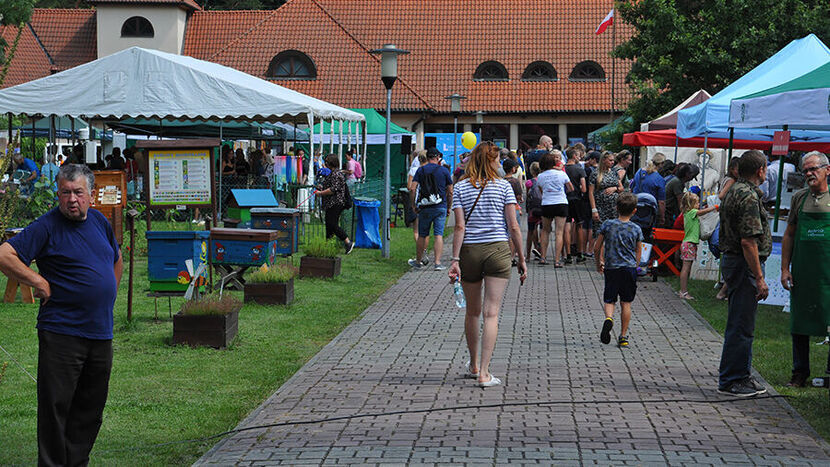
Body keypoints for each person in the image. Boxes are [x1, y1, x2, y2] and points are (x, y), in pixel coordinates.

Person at [0, 164, 122, 466]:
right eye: (65, 193)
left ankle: (76, 462)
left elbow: (116, 260)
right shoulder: (47, 226)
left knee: (90, 409)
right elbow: (4, 254)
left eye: (78, 193)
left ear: (90, 195)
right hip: (62, 333)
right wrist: (39, 282)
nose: (72, 200)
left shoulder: (98, 221)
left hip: (100, 332)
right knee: (56, 409)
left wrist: (107, 295)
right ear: (58, 194)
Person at [448, 141, 527, 388]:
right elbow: (513, 226)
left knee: (473, 312)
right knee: (491, 313)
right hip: (497, 250)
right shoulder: (504, 187)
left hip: (470, 251)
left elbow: (459, 227)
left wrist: (455, 259)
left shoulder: (461, 188)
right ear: (493, 161)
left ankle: (472, 365)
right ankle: (484, 372)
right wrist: (522, 259)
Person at [717, 149, 771, 397]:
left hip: (734, 262)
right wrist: (759, 277)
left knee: (741, 322)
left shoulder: (735, 190)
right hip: (742, 263)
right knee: (741, 324)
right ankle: (733, 379)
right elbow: (748, 242)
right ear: (760, 170)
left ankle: (741, 375)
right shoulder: (747, 196)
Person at [781, 151, 830, 388]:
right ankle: (799, 372)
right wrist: (784, 269)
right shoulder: (799, 197)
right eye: (806, 170)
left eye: (814, 169)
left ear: (827, 170)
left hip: (828, 274)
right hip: (803, 271)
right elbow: (789, 234)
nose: (809, 173)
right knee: (800, 324)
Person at [594, 192, 643, 348]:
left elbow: (597, 247)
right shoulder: (636, 229)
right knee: (626, 302)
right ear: (634, 210)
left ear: (616, 208)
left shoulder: (607, 225)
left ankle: (609, 318)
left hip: (611, 268)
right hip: (628, 268)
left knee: (610, 299)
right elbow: (638, 251)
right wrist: (635, 266)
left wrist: (599, 262)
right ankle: (623, 336)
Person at [409, 147, 453, 270]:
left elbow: (412, 188)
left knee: (422, 234)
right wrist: (449, 207)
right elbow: (450, 191)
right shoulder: (444, 171)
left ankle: (418, 262)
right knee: (438, 235)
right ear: (438, 157)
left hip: (425, 207)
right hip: (440, 206)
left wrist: (413, 205)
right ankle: (437, 263)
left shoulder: (421, 170)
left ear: (427, 157)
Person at [677, 192, 718, 300]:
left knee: (686, 268)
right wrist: (714, 207)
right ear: (691, 204)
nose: (698, 204)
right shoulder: (692, 212)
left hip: (688, 244)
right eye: (697, 202)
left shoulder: (687, 213)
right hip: (689, 244)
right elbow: (702, 212)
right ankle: (683, 292)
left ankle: (683, 291)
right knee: (686, 268)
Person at [537, 151, 573, 267]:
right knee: (559, 232)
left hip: (547, 203)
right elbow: (570, 188)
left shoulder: (540, 176)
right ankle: (557, 260)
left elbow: (541, 190)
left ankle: (543, 257)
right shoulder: (561, 174)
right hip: (561, 203)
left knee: (545, 231)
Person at [314, 154, 355, 254]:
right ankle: (328, 246)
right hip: (330, 203)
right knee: (329, 225)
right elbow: (329, 186)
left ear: (331, 163)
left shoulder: (337, 174)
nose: (325, 163)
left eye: (327, 161)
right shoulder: (333, 173)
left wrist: (321, 193)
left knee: (333, 224)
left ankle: (348, 242)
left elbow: (333, 190)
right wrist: (321, 187)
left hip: (336, 203)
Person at [589, 152, 623, 242]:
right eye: (610, 160)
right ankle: (599, 255)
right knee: (600, 234)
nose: (612, 162)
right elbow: (591, 192)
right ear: (604, 160)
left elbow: (621, 188)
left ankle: (609, 255)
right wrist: (594, 210)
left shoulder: (614, 173)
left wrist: (614, 188)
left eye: (613, 160)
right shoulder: (595, 173)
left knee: (613, 233)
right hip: (600, 207)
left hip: (613, 208)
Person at [631, 152, 667, 225]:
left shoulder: (639, 172)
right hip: (649, 211)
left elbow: (631, 188)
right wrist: (662, 217)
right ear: (661, 164)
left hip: (634, 207)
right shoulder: (659, 179)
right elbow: (661, 202)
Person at [503, 158, 523, 264]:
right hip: (513, 208)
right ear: (513, 169)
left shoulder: (501, 181)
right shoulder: (514, 182)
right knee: (512, 232)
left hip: (502, 209)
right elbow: (519, 196)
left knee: (504, 232)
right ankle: (511, 256)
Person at [524, 161, 543, 261]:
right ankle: (541, 252)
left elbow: (528, 196)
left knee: (530, 231)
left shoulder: (529, 182)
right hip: (543, 208)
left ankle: (527, 256)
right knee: (543, 231)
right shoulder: (543, 180)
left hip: (533, 210)